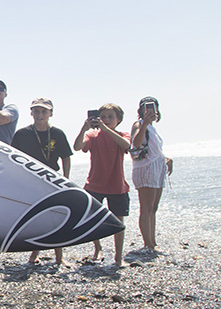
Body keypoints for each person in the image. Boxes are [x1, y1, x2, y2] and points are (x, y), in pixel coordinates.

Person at [10, 98, 72, 266]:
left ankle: (59, 257)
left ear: (50, 113)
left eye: (44, 111)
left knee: (57, 218)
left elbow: (66, 157)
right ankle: (33, 254)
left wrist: (66, 179)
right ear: (31, 113)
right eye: (36, 111)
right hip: (31, 182)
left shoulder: (58, 133)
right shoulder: (22, 134)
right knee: (34, 218)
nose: (40, 115)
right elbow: (14, 158)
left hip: (53, 181)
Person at [72, 103, 131, 267]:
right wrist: (84, 128)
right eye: (103, 117)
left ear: (118, 120)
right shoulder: (92, 135)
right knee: (92, 219)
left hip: (117, 185)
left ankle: (118, 257)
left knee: (119, 222)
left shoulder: (123, 134)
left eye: (110, 117)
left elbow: (126, 146)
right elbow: (77, 147)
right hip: (95, 184)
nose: (106, 120)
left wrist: (106, 130)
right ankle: (97, 248)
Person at [130, 97, 172, 253]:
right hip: (145, 168)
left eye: (153, 107)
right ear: (140, 110)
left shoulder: (153, 129)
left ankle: (152, 241)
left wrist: (166, 159)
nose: (149, 110)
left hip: (156, 168)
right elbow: (136, 143)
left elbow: (154, 150)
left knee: (153, 207)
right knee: (146, 207)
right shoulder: (139, 125)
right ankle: (148, 244)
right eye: (146, 108)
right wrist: (145, 124)